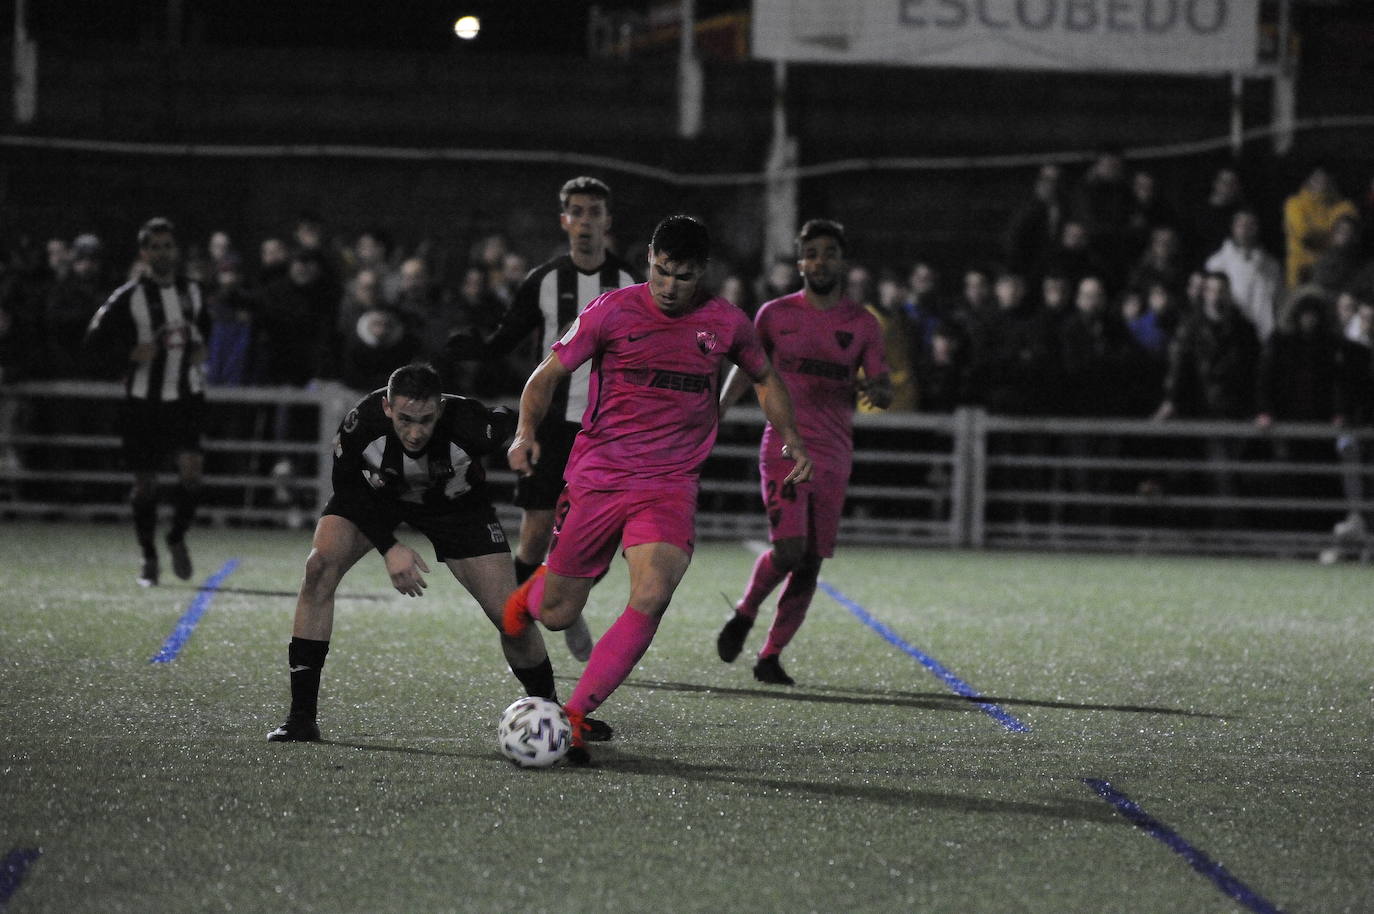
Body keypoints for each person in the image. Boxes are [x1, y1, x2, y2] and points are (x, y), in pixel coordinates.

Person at [501, 214, 813, 764]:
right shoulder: (612, 311)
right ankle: (527, 596)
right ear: (649, 258)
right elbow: (547, 374)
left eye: (684, 276)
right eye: (662, 272)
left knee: (652, 592)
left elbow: (765, 377)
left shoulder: (726, 323)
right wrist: (525, 432)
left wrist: (790, 437)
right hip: (598, 477)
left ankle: (572, 718)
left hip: (669, 484)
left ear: (703, 273)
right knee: (558, 613)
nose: (670, 287)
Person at [264, 363, 608, 742]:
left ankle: (552, 714)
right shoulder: (360, 422)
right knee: (318, 568)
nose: (415, 432)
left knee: (511, 617)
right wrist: (390, 547)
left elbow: (524, 422)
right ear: (388, 408)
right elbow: (345, 490)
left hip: (456, 508)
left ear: (440, 409)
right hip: (378, 500)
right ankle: (301, 717)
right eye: (406, 419)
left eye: (426, 420)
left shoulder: (473, 424)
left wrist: (527, 443)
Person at [445, 176, 638, 662]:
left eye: (595, 212)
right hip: (552, 426)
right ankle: (520, 627)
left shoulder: (633, 283)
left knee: (598, 545)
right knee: (534, 532)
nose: (585, 221)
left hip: (606, 430)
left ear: (607, 221)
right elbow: (507, 339)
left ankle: (565, 603)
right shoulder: (545, 280)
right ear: (564, 220)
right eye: (577, 211)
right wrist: (477, 351)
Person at [714, 219, 890, 685]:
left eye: (829, 252)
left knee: (811, 560)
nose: (820, 261)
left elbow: (882, 386)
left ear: (842, 262)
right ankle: (746, 611)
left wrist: (879, 390)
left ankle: (770, 655)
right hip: (785, 446)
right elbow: (748, 368)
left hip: (834, 453)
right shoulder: (774, 314)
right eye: (812, 253)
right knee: (789, 549)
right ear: (800, 263)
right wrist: (717, 410)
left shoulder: (863, 323)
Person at [82, 218, 210, 587]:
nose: (162, 252)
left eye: (167, 246)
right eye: (154, 247)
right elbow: (92, 342)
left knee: (191, 473)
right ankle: (148, 556)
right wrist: (129, 354)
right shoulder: (128, 296)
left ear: (176, 250)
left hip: (185, 396)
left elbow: (204, 331)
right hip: (142, 403)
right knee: (145, 485)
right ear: (144, 253)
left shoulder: (194, 292)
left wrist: (202, 348)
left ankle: (176, 536)